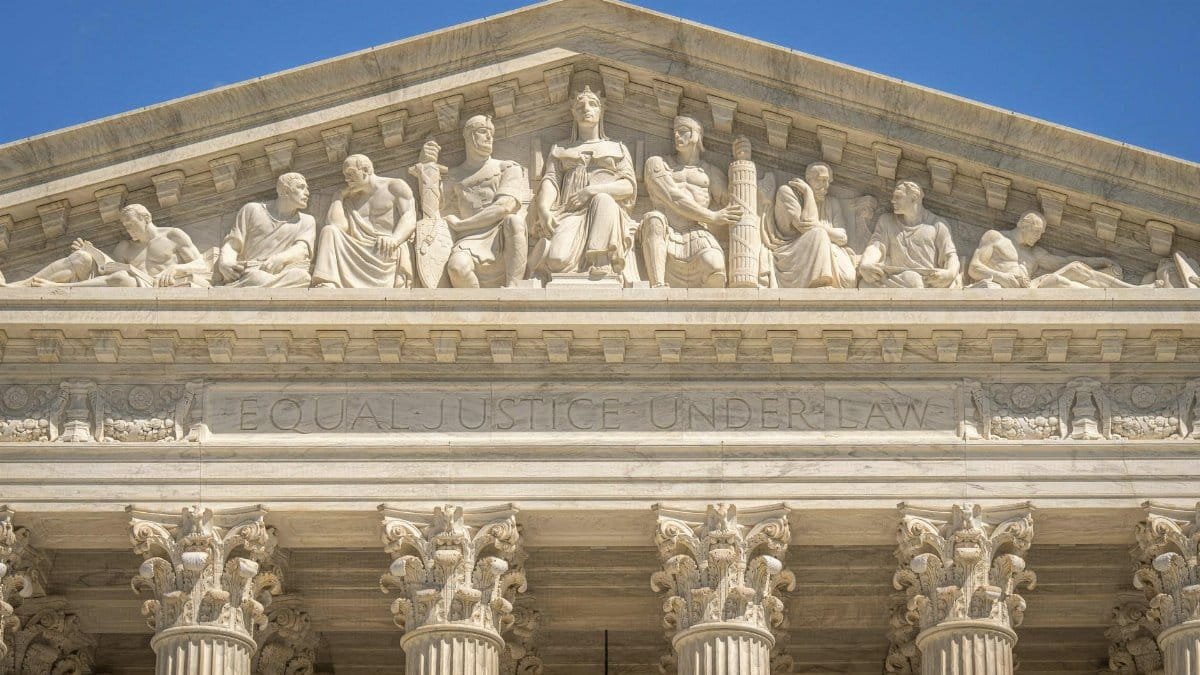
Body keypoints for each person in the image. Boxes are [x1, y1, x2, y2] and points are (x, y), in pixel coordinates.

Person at [528, 86, 639, 283]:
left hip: (607, 213)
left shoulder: (617, 148)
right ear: (573, 113)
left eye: (593, 104)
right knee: (557, 260)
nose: (586, 109)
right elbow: (551, 180)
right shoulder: (561, 148)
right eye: (580, 106)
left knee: (603, 200)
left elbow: (629, 187)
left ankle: (601, 261)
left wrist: (592, 190)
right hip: (570, 211)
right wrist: (544, 209)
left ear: (601, 111)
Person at [427, 115, 528, 288]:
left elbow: (505, 207)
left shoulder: (507, 168)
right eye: (482, 132)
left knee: (514, 220)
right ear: (468, 136)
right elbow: (434, 213)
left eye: (491, 133)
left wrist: (462, 225)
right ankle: (475, 312)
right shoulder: (453, 176)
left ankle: (514, 287)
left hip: (501, 234)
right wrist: (426, 165)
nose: (489, 137)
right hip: (469, 239)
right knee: (457, 268)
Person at [2, 204, 210, 287]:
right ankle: (16, 287)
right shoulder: (124, 247)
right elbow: (109, 272)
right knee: (82, 258)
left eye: (131, 224)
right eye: (125, 225)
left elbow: (202, 265)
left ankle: (58, 288)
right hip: (129, 283)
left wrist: (175, 268)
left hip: (158, 287)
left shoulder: (173, 235)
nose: (128, 229)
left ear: (146, 218)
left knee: (122, 279)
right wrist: (92, 252)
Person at [641, 116, 741, 288]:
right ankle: (657, 286)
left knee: (715, 267)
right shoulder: (658, 164)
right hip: (665, 231)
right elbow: (674, 198)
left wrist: (743, 160)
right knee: (654, 219)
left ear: (697, 135)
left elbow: (733, 206)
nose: (677, 137)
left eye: (683, 132)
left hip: (696, 233)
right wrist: (713, 216)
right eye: (675, 133)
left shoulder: (711, 173)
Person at [312, 154, 416, 288]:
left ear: (366, 170)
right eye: (345, 174)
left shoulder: (394, 186)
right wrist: (338, 197)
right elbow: (336, 226)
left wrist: (395, 239)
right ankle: (327, 283)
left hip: (384, 250)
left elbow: (409, 216)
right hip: (355, 250)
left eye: (351, 173)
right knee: (328, 230)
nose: (346, 179)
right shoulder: (351, 198)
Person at [968, 211, 1131, 288]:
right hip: (1006, 288)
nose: (1038, 237)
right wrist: (1001, 277)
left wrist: (1099, 260)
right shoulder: (995, 237)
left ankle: (1129, 290)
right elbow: (974, 268)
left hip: (1029, 287)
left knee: (1076, 268)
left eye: (1041, 233)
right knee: (1059, 281)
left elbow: (1063, 261)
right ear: (1022, 224)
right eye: (1036, 231)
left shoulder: (1034, 253)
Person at [216, 172, 316, 288]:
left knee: (302, 276)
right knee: (256, 277)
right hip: (252, 270)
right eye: (301, 187)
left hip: (283, 273)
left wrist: (281, 258)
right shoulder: (252, 210)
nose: (307, 193)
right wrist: (225, 262)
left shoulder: (307, 220)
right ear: (284, 191)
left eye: (307, 189)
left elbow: (302, 249)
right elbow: (233, 244)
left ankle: (252, 288)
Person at [768, 163, 858, 288]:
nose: (825, 186)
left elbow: (842, 238)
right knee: (818, 234)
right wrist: (808, 193)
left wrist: (819, 226)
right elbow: (805, 225)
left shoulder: (832, 203)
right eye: (819, 180)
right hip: (791, 251)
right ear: (807, 179)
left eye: (827, 181)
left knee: (849, 280)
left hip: (830, 249)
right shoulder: (787, 192)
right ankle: (820, 283)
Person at [859, 181, 960, 288]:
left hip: (925, 280)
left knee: (913, 280)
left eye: (898, 197)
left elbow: (950, 256)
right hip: (890, 278)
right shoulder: (886, 221)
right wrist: (866, 264)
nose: (892, 201)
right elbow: (876, 246)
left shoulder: (937, 224)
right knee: (864, 284)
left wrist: (950, 273)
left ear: (914, 198)